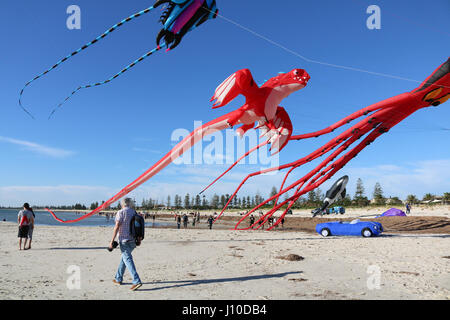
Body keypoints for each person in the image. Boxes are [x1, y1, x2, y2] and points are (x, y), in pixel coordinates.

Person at [109, 198, 142, 291]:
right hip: (133, 240)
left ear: (122, 204)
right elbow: (138, 226)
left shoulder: (121, 212)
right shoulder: (134, 212)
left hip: (124, 240)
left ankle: (136, 281)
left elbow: (116, 227)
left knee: (127, 259)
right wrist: (139, 239)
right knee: (124, 258)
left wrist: (111, 241)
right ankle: (118, 278)